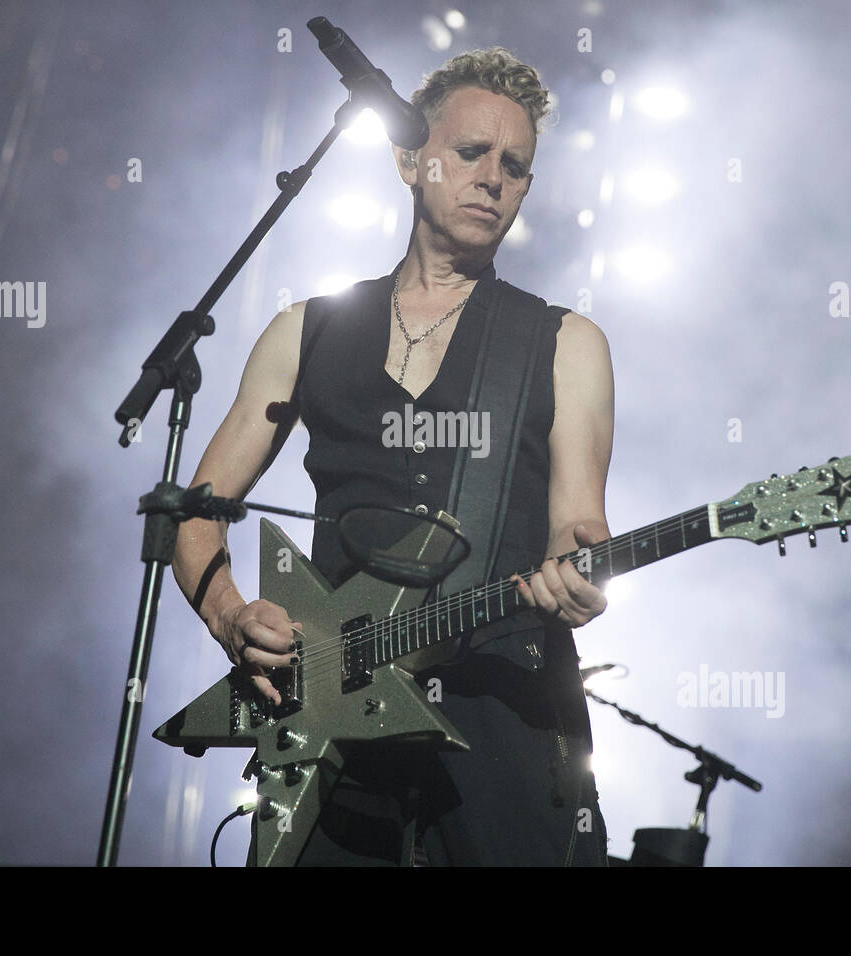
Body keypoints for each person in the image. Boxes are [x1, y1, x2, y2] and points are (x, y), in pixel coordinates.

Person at [171, 47, 615, 865]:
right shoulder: (305, 330)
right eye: (473, 152)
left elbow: (578, 520)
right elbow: (194, 512)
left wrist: (577, 567)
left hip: (505, 710)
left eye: (516, 166)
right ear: (411, 159)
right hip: (331, 714)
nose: (493, 178)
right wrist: (232, 617)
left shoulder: (564, 342)